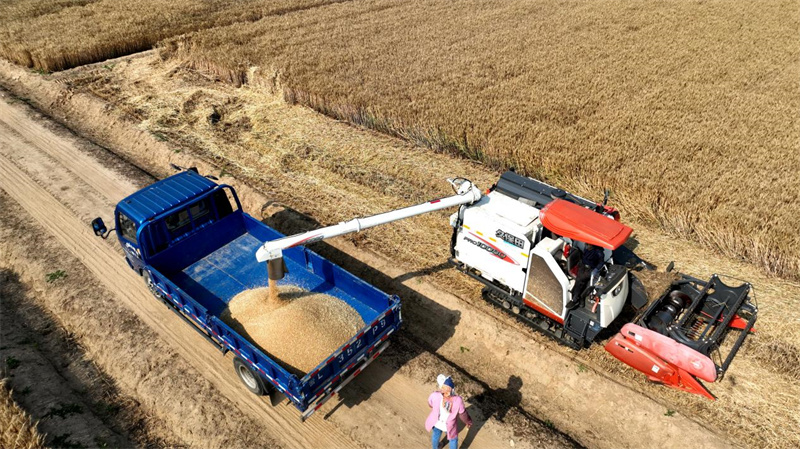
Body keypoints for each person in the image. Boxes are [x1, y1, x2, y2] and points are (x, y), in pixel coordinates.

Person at [425, 375, 472, 449]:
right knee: (453, 439)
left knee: (436, 435)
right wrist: (468, 422)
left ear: (441, 387)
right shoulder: (458, 400)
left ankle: (435, 447)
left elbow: (430, 403)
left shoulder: (434, 395)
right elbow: (463, 415)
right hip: (449, 426)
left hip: (436, 422)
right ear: (452, 390)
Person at [567, 243, 605, 309]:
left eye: (588, 245)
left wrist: (595, 270)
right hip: (583, 266)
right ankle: (576, 297)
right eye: (586, 245)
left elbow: (601, 262)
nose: (586, 247)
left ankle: (576, 299)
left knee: (580, 280)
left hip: (591, 269)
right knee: (579, 280)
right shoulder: (587, 248)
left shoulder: (599, 252)